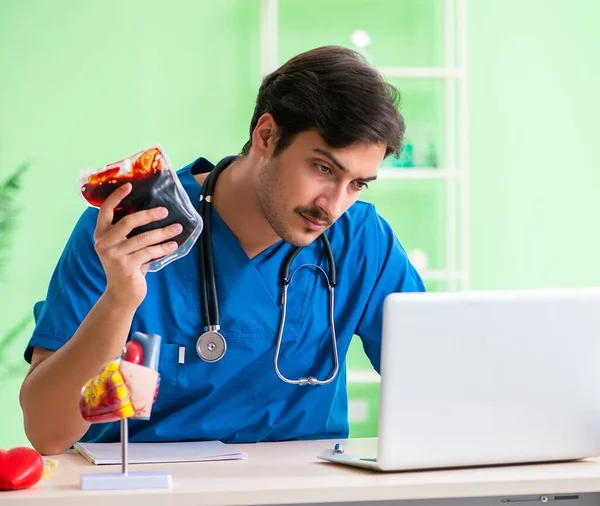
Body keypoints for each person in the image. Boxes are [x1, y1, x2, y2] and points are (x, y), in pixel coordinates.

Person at [19, 45, 425, 455]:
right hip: (153, 490)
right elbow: (47, 433)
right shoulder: (130, 228)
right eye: (323, 169)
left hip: (308, 490)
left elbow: (435, 381)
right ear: (266, 135)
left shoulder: (361, 240)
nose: (334, 206)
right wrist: (119, 302)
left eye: (357, 184)